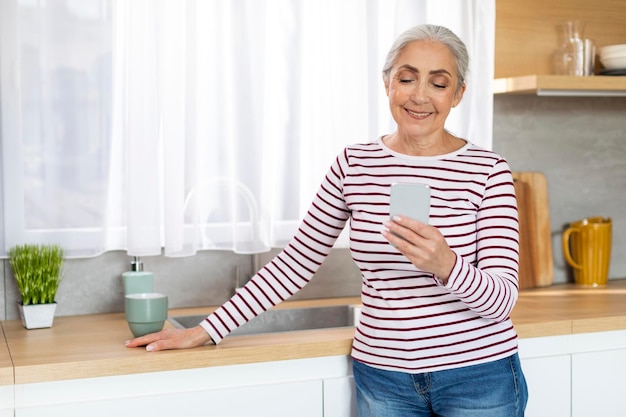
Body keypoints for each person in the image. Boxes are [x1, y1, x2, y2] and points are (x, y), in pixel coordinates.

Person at [126, 24, 528, 416]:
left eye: (438, 83)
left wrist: (446, 264)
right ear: (387, 82)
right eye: (407, 78)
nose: (419, 96)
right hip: (384, 378)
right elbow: (295, 263)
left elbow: (502, 300)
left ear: (458, 94)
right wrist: (206, 330)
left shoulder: (487, 171)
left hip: (477, 377)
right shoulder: (354, 164)